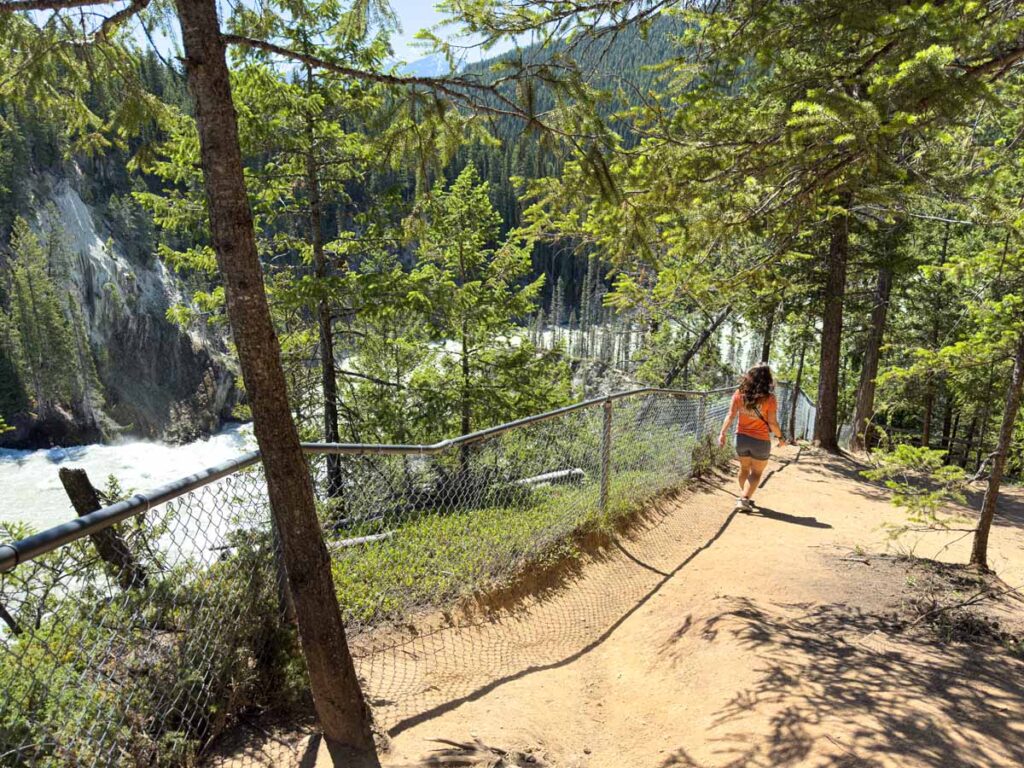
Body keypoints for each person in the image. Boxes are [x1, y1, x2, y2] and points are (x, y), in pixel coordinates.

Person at [718, 363, 787, 510]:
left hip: (741, 439)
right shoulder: (770, 399)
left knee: (744, 469)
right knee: (756, 472)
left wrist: (722, 433)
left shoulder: (739, 394)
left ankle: (745, 495)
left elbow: (730, 415)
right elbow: (772, 423)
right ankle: (744, 499)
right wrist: (780, 438)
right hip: (760, 441)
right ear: (767, 379)